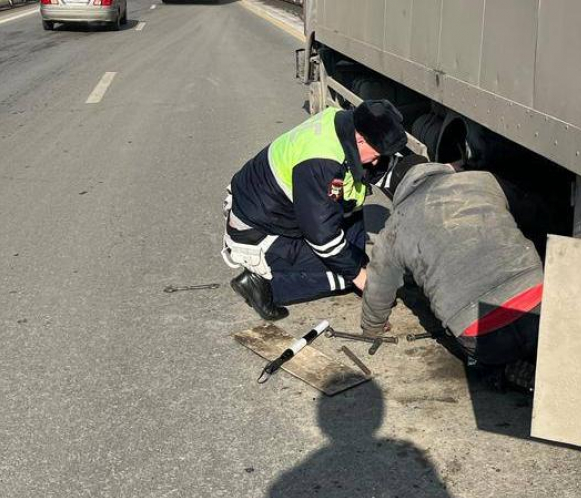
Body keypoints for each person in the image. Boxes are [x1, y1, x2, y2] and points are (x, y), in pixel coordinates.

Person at [221, 100, 407, 320]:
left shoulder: (345, 125)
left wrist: (437, 172)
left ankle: (352, 267)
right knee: (348, 273)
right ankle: (265, 285)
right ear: (360, 138)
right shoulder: (320, 162)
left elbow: (379, 170)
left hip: (287, 215)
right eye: (376, 155)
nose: (376, 163)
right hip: (261, 235)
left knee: (353, 249)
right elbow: (323, 239)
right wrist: (359, 276)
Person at [361, 155, 543, 376]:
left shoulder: (394, 226)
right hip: (538, 303)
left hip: (480, 332)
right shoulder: (483, 180)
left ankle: (499, 371)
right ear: (434, 168)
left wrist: (373, 327)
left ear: (398, 191)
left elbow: (379, 284)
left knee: (482, 361)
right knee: (543, 340)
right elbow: (532, 212)